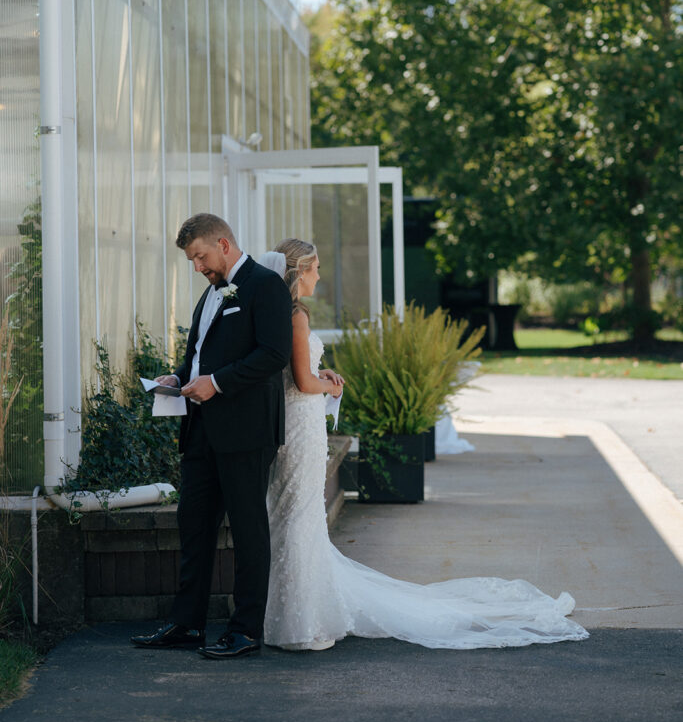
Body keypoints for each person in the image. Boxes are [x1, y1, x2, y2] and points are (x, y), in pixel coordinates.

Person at [260, 240, 589, 652]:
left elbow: (293, 371)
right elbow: (305, 384)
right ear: (299, 271)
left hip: (294, 424)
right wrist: (326, 381)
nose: (320, 276)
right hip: (302, 426)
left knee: (292, 515)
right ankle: (300, 621)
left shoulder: (277, 312)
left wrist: (316, 370)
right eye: (317, 268)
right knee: (298, 517)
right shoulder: (296, 317)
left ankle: (288, 617)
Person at [131, 213, 292, 659]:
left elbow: (274, 354)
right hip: (199, 429)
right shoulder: (210, 294)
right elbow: (199, 356)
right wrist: (177, 376)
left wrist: (216, 383)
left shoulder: (265, 285)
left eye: (200, 256)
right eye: (192, 260)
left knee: (247, 529)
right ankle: (187, 624)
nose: (197, 267)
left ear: (223, 243)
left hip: (246, 431)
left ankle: (245, 631)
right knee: (194, 525)